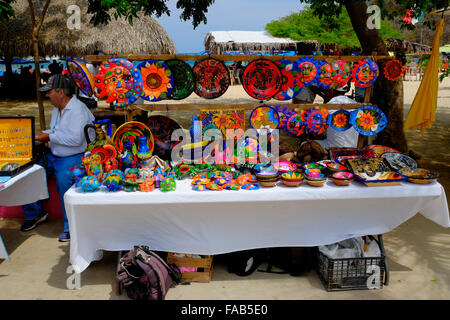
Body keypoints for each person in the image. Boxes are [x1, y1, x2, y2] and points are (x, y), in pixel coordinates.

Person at [21, 74, 95, 242]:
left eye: (49, 92)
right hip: (55, 155)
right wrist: (42, 134)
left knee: (64, 180)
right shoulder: (57, 108)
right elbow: (57, 132)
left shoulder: (78, 110)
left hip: (75, 156)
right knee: (28, 172)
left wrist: (48, 137)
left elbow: (77, 140)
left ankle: (71, 227)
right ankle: (35, 212)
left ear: (60, 92)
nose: (47, 96)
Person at [313, 83, 359, 149]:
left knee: (305, 144)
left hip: (331, 146)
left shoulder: (328, 106)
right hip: (354, 146)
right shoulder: (355, 104)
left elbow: (317, 131)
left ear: (331, 91)